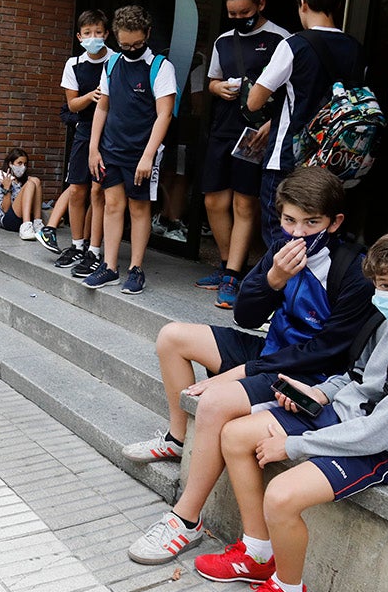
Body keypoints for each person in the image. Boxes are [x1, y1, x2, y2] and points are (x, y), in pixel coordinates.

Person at [197, 228, 388, 592]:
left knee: (282, 496)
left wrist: (296, 444)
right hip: (344, 416)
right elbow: (356, 377)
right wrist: (318, 392)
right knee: (234, 435)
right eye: (386, 285)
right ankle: (257, 551)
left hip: (385, 447)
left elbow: (380, 431)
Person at [123, 167, 375, 565]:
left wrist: (241, 372)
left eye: (312, 223)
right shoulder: (280, 250)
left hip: (307, 374)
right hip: (270, 350)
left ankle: (186, 520)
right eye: (290, 221)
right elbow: (243, 314)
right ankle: (177, 439)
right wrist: (272, 278)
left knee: (216, 401)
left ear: (334, 222)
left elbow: (326, 353)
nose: (299, 232)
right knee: (172, 337)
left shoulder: (353, 273)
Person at [247, 0, 364, 246]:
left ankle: (283, 289)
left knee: (282, 236)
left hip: (289, 158)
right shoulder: (355, 48)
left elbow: (254, 101)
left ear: (303, 5)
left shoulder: (294, 45)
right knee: (318, 238)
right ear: (336, 6)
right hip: (333, 159)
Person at [201, 0, 290, 309]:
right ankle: (226, 264)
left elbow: (290, 93)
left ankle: (233, 275)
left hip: (256, 131)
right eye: (232, 13)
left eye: (244, 12)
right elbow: (211, 79)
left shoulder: (281, 39)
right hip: (223, 127)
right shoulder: (224, 41)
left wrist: (272, 123)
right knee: (213, 200)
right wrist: (217, 89)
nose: (238, 18)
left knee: (244, 203)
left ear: (261, 5)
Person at [85, 5, 177, 295]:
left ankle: (136, 269)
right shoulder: (111, 64)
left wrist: (149, 155)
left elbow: (165, 114)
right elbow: (102, 106)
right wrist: (93, 148)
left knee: (139, 208)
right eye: (125, 45)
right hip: (111, 148)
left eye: (137, 44)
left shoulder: (161, 67)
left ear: (148, 34)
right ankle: (110, 267)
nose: (131, 49)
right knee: (112, 205)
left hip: (141, 152)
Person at [38, 9, 112, 271]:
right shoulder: (74, 64)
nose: (94, 37)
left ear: (106, 34)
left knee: (99, 190)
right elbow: (72, 105)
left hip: (110, 131)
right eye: (88, 33)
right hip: (84, 129)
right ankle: (77, 245)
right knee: (78, 189)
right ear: (80, 36)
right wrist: (91, 96)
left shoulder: (116, 60)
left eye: (98, 32)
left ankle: (94, 249)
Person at [0, 147, 43, 239]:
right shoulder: (0, 181)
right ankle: (26, 227)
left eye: (25, 164)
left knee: (36, 180)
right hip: (9, 220)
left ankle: (37, 224)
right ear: (11, 164)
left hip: (23, 217)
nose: (23, 167)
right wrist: (7, 188)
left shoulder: (24, 181)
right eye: (19, 163)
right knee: (31, 183)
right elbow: (5, 210)